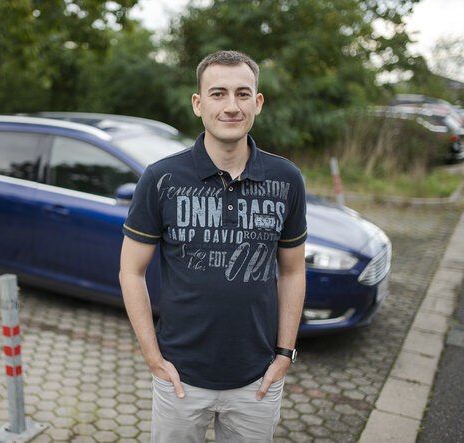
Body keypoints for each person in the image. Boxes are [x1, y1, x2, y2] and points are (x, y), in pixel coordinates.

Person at [119, 50, 307, 442]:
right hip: (180, 377)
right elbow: (130, 271)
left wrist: (284, 356)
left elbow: (292, 271)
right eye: (218, 94)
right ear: (198, 103)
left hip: (256, 378)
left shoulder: (286, 179)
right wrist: (153, 357)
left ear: (257, 103)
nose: (231, 106)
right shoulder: (161, 178)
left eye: (242, 94)